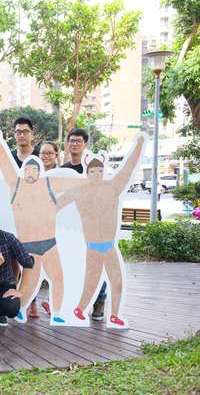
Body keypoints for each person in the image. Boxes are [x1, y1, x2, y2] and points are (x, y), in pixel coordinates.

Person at [0, 129, 82, 324]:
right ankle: (21, 309)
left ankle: (58, 312)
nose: (31, 172)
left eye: (34, 169)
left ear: (39, 172)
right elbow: (6, 164)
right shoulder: (17, 186)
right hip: (28, 245)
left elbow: (76, 182)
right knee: (29, 282)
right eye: (27, 170)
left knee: (58, 277)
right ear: (23, 171)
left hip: (49, 243)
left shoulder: (48, 184)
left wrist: (96, 178)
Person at [57, 136, 145, 327]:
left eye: (99, 171)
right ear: (87, 172)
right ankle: (79, 309)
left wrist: (138, 145)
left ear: (103, 171)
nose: (96, 174)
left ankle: (114, 314)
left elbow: (128, 168)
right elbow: (56, 204)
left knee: (117, 281)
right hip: (93, 247)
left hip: (109, 246)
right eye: (92, 171)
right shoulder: (79, 191)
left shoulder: (112, 187)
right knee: (90, 282)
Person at [61, 128, 106, 320]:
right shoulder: (62, 170)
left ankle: (100, 300)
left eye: (78, 141)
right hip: (70, 227)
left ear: (85, 144)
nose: (74, 144)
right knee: (72, 264)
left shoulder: (93, 169)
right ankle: (71, 302)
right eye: (71, 141)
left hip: (92, 226)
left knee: (96, 262)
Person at [28, 141, 59, 318]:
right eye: (43, 153)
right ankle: (31, 304)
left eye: (50, 153)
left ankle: (52, 302)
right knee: (33, 267)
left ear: (56, 155)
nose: (46, 156)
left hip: (57, 228)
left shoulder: (62, 174)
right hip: (35, 229)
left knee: (56, 269)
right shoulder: (33, 174)